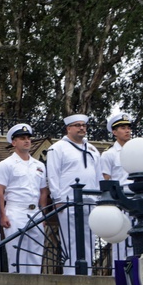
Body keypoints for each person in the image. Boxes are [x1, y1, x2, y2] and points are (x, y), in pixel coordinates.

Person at [46, 116, 102, 275]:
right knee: (71, 240)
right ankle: (72, 274)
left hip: (90, 201)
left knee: (89, 241)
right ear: (68, 128)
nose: (82, 128)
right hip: (68, 201)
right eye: (77, 125)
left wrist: (98, 198)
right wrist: (57, 199)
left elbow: (97, 176)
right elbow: (53, 175)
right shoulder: (58, 148)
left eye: (84, 125)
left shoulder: (92, 149)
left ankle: (88, 273)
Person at [0, 123, 48, 274]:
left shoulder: (39, 165)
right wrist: (3, 214)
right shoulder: (6, 164)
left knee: (36, 252)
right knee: (16, 251)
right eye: (22, 138)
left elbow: (43, 190)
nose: (27, 141)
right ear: (14, 142)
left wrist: (43, 213)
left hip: (35, 211)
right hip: (16, 210)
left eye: (28, 138)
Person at [100, 113, 134, 265]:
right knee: (120, 240)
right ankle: (120, 275)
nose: (127, 131)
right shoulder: (109, 154)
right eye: (122, 128)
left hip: (137, 198)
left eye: (128, 127)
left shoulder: (137, 151)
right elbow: (106, 179)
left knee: (137, 239)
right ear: (114, 132)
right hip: (120, 199)